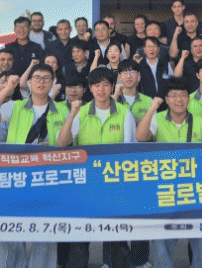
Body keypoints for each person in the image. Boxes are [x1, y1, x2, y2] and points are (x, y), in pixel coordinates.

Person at [0, 64, 65, 268]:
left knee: (45, 231)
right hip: (16, 176)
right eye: (37, 78)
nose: (41, 82)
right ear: (28, 82)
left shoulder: (64, 110)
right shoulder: (16, 106)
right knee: (12, 230)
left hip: (48, 177)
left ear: (53, 82)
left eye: (46, 78)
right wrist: (7, 90)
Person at [57, 68, 137, 268]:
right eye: (96, 85)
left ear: (112, 87)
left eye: (105, 85)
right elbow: (62, 142)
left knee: (115, 234)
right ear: (90, 88)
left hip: (114, 182)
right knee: (80, 234)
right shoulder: (81, 112)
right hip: (85, 182)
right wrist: (72, 114)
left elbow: (130, 149)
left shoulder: (125, 113)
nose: (101, 89)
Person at [135, 78, 202, 268]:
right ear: (167, 99)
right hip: (165, 192)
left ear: (189, 98)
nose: (179, 100)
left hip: (194, 191)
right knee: (162, 246)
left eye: (183, 95)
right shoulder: (157, 119)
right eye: (174, 95)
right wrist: (152, 108)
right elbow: (140, 137)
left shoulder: (200, 122)